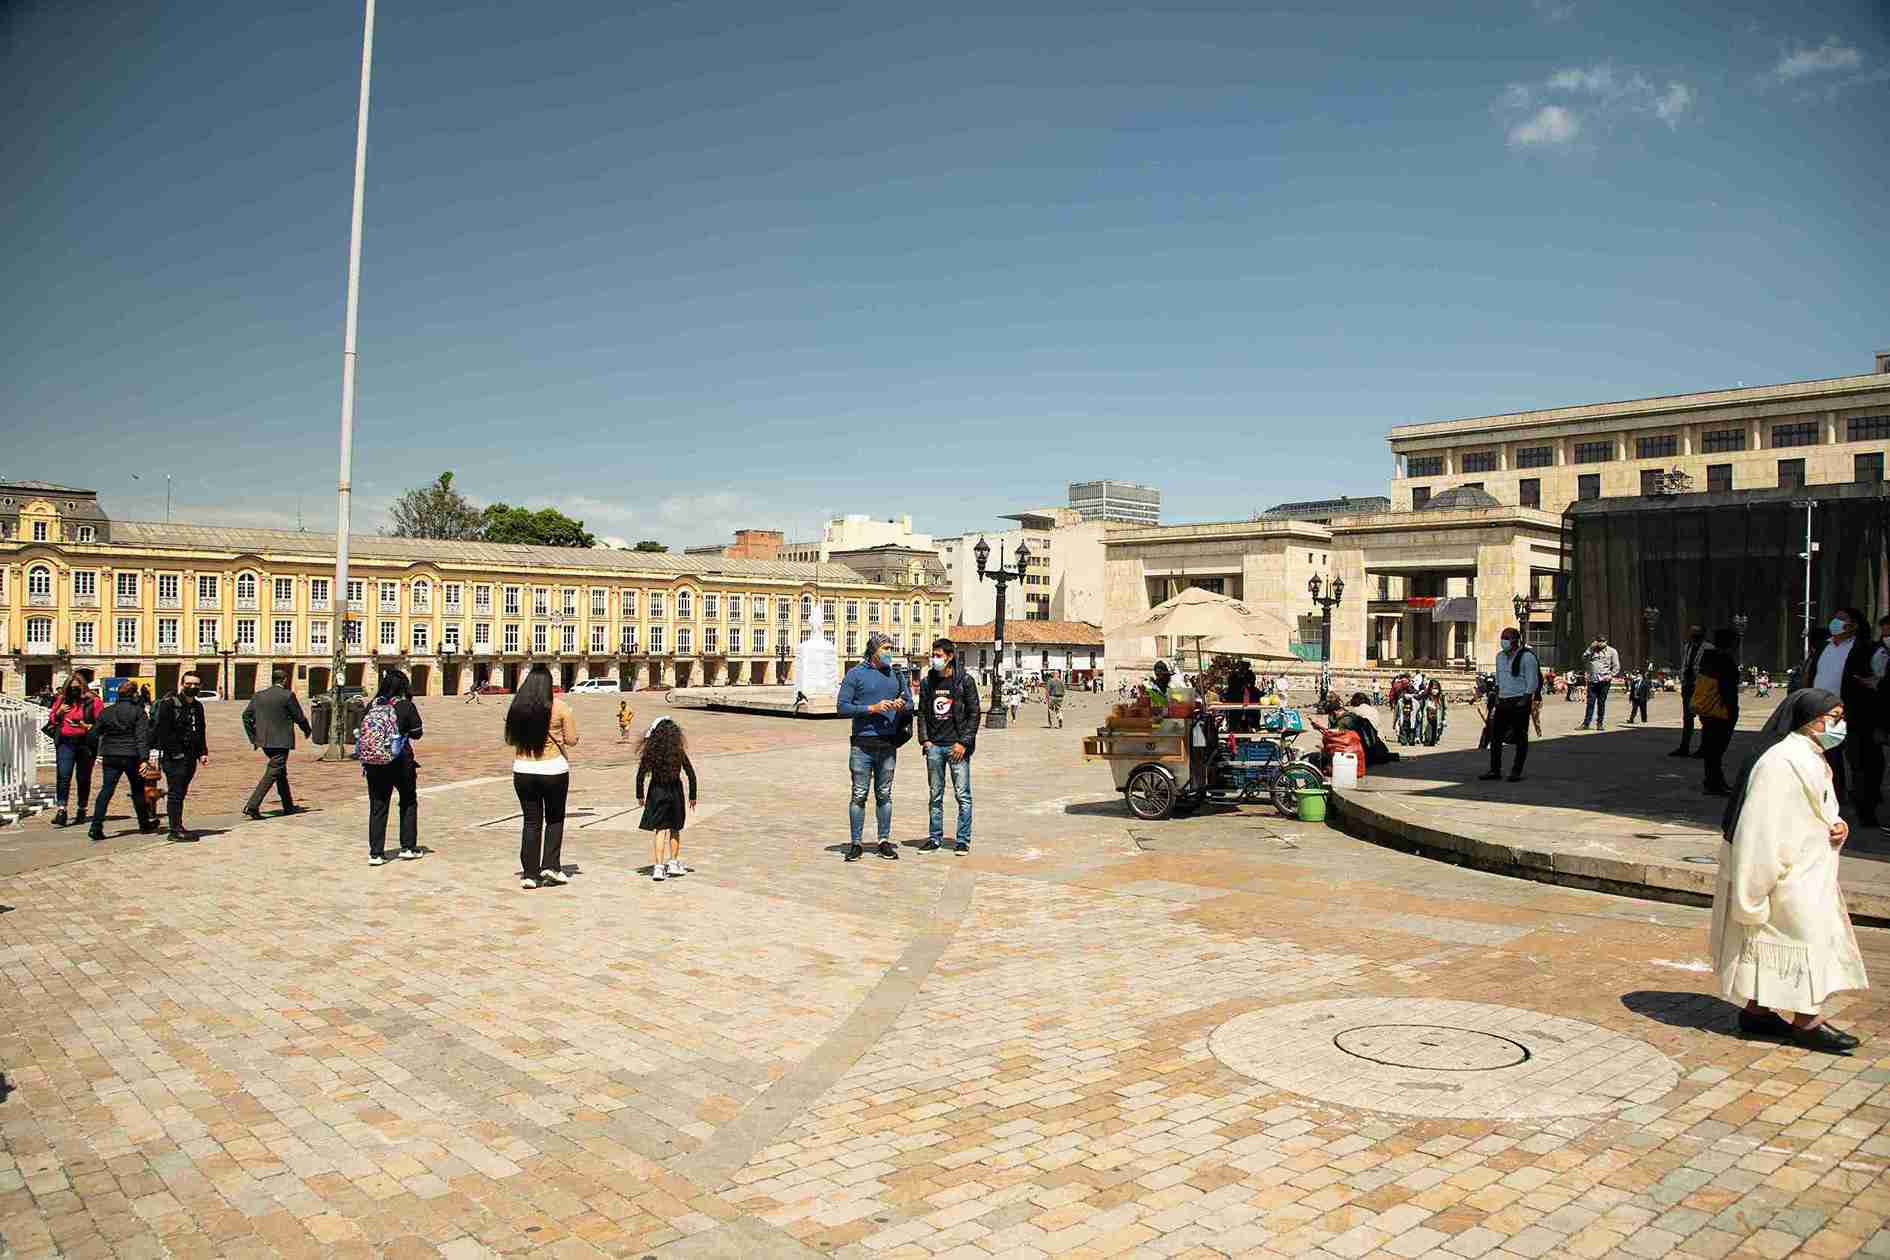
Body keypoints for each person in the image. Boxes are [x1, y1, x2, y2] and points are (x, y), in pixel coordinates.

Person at [1710, 689, 1868, 1054]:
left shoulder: (1813, 756)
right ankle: (1806, 1021)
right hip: (1784, 874)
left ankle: (1757, 1011)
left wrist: (1837, 824)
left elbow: (1819, 807)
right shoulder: (1781, 762)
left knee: (1783, 943)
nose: (1839, 724)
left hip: (1809, 870)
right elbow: (1759, 828)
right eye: (1833, 716)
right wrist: (1752, 890)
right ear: (1810, 720)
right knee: (1801, 942)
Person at [1798, 607, 1879, 825]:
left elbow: (1876, 679)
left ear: (1854, 625)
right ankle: (1830, 806)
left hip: (1852, 716)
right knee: (1829, 763)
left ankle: (1865, 811)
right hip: (1824, 717)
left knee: (1858, 763)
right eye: (1835, 618)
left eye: (1842, 619)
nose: (1836, 622)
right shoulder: (1824, 648)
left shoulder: (1865, 649)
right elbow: (1813, 675)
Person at [836, 632, 907, 862]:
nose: (889, 652)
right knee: (859, 794)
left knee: (884, 795)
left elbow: (909, 701)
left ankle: (883, 841)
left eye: (890, 648)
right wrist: (871, 708)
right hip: (862, 745)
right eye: (885, 648)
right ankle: (856, 843)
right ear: (874, 651)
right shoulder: (855, 674)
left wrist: (901, 704)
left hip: (888, 744)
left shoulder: (896, 674)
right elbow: (842, 706)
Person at [506, 664, 578, 889]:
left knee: (530, 821)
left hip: (524, 769)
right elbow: (572, 739)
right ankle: (551, 866)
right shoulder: (561, 707)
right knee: (554, 819)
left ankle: (529, 873)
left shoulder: (518, 706)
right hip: (553, 769)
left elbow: (510, 739)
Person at [919, 637, 980, 853]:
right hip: (934, 746)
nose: (934, 660)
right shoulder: (928, 682)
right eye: (932, 655)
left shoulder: (964, 681)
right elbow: (923, 713)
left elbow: (974, 714)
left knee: (962, 795)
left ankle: (962, 839)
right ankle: (935, 838)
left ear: (950, 657)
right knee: (935, 795)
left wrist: (963, 742)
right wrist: (925, 740)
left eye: (938, 656)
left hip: (957, 748)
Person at [360, 668, 424, 865]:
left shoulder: (372, 705)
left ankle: (376, 853)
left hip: (374, 762)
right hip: (400, 761)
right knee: (407, 801)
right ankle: (408, 847)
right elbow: (417, 733)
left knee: (378, 805)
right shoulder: (406, 706)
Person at [87, 685, 157, 841]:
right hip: (132, 755)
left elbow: (93, 734)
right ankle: (144, 824)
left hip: (111, 754)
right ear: (133, 695)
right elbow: (142, 736)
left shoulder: (107, 712)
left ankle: (96, 826)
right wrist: (144, 759)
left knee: (106, 790)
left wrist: (96, 751)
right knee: (138, 790)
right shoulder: (138, 711)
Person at [240, 671, 312, 820]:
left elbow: (246, 716)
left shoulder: (259, 695)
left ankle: (288, 805)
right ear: (284, 680)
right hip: (281, 742)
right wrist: (307, 730)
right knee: (273, 771)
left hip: (264, 742)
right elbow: (299, 717)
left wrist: (254, 737)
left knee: (280, 772)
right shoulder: (287, 695)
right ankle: (252, 805)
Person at [636, 716, 697, 882]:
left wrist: (639, 795)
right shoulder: (678, 751)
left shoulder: (651, 752)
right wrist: (693, 795)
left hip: (656, 791)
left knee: (660, 830)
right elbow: (691, 773)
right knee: (675, 828)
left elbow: (640, 775)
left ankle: (658, 867)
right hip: (675, 791)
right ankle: (673, 862)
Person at [152, 673, 210, 841]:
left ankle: (177, 825)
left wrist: (203, 752)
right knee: (176, 792)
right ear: (182, 684)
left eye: (196, 684)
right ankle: (175, 829)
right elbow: (163, 731)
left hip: (191, 755)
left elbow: (200, 730)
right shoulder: (169, 704)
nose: (193, 687)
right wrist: (175, 752)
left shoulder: (198, 707)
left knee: (181, 791)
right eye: (189, 684)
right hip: (174, 757)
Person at [1481, 626, 1540, 783]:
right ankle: (1495, 769)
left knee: (1520, 737)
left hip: (1519, 700)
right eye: (1502, 637)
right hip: (1503, 700)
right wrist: (1497, 697)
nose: (1503, 641)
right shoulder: (1500, 657)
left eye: (1506, 638)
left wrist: (1525, 699)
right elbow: (1499, 679)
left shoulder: (1527, 657)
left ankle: (1516, 770)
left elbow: (1532, 681)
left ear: (1515, 640)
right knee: (1495, 736)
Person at [48, 677, 101, 829]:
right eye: (71, 688)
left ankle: (82, 809)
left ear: (83, 687)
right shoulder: (62, 699)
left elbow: (101, 722)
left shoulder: (93, 701)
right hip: (66, 742)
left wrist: (85, 725)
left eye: (77, 688)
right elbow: (52, 718)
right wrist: (59, 712)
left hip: (86, 743)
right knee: (63, 775)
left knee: (83, 777)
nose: (74, 691)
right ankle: (61, 810)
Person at [1694, 629, 1742, 796]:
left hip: (1707, 709)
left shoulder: (1707, 658)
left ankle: (1713, 780)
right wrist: (1732, 711)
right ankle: (1714, 783)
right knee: (1717, 749)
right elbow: (1727, 689)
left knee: (1711, 748)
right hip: (1721, 710)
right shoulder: (1725, 661)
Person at [1671, 626, 1707, 755]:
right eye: (1691, 633)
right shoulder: (1687, 647)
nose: (1692, 635)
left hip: (1701, 686)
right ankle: (1684, 747)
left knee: (1704, 718)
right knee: (1687, 718)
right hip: (1688, 686)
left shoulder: (1708, 648)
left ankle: (1704, 748)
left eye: (1695, 633)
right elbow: (1685, 664)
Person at [1579, 634, 1620, 730]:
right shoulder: (1591, 650)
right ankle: (1586, 724)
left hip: (1604, 682)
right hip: (1592, 681)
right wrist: (1590, 649)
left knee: (1601, 703)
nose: (1600, 643)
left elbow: (1616, 666)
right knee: (1590, 703)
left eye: (1602, 641)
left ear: (1606, 642)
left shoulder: (1612, 651)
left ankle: (1599, 723)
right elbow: (1583, 659)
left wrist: (1610, 676)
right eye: (1599, 641)